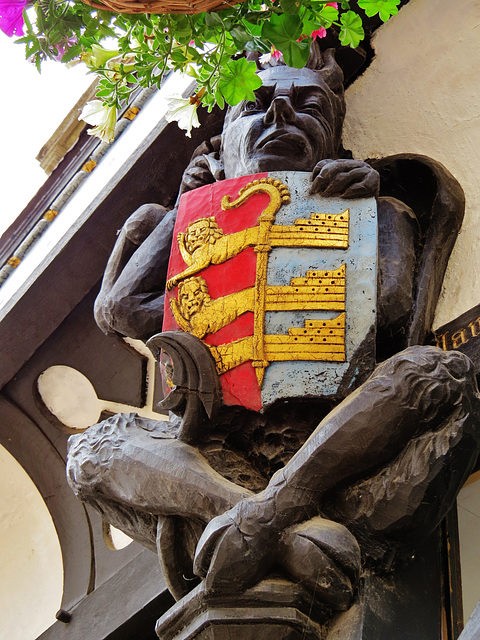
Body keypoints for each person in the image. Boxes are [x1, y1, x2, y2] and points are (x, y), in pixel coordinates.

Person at [67, 45, 480, 610]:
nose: (280, 115)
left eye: (305, 104)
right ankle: (281, 535)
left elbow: (388, 311)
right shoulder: (196, 222)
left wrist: (371, 203)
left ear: (333, 134)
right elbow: (122, 309)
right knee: (87, 453)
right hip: (218, 471)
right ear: (223, 138)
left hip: (344, 464)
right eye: (256, 105)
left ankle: (264, 520)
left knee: (443, 374)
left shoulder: (374, 206)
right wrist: (187, 211)